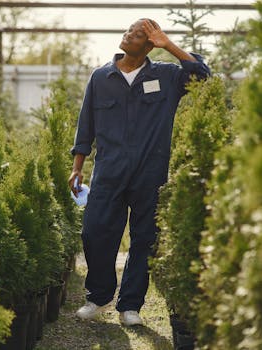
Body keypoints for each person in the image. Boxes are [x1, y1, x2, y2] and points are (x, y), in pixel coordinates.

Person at [68, 19, 210, 326]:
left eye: (135, 34)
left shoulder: (167, 76)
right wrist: (77, 166)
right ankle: (99, 297)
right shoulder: (101, 77)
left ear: (149, 43)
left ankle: (130, 306)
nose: (126, 35)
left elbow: (201, 74)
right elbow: (85, 126)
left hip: (150, 172)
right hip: (108, 172)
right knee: (94, 232)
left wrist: (169, 44)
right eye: (127, 31)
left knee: (144, 238)